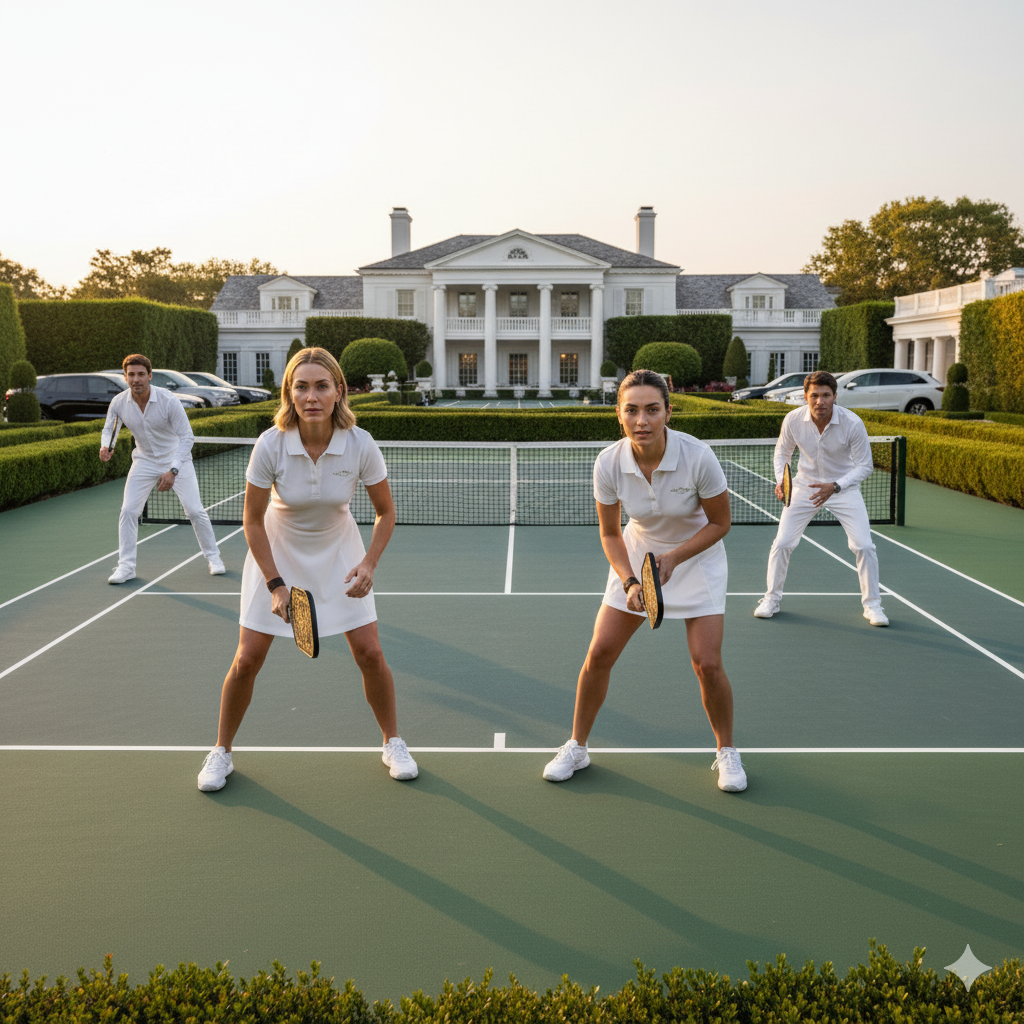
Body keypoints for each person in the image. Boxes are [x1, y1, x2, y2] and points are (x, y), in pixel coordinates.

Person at [197, 347, 417, 791]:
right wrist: (276, 584)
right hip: (278, 554)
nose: (311, 395)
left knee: (370, 653)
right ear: (289, 393)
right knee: (247, 659)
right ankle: (220, 751)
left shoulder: (360, 443)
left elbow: (386, 512)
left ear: (338, 391)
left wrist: (370, 562)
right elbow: (252, 521)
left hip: (340, 553)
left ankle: (393, 741)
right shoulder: (271, 444)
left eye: (321, 386)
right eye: (302, 386)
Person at [542, 369, 747, 793]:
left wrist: (672, 560)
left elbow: (721, 523)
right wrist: (631, 581)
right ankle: (577, 746)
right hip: (637, 553)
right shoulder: (608, 462)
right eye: (632, 410)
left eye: (652, 410)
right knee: (599, 652)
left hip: (696, 555)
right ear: (618, 414)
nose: (642, 421)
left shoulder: (697, 456)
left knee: (706, 663)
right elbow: (610, 532)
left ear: (668, 412)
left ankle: (726, 751)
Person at [753, 369, 888, 626]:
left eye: (826, 395)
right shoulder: (792, 420)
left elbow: (865, 466)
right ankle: (771, 599)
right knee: (782, 543)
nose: (820, 401)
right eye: (814, 395)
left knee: (864, 546)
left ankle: (873, 606)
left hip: (843, 490)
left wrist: (835, 486)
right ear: (805, 396)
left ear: (835, 396)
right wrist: (782, 479)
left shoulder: (852, 423)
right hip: (804, 489)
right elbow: (782, 453)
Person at [100, 354, 224, 584]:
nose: (136, 379)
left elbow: (187, 438)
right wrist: (105, 446)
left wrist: (173, 471)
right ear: (125, 377)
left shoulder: (168, 400)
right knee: (128, 511)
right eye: (131, 375)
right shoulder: (118, 402)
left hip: (177, 460)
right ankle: (126, 567)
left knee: (195, 511)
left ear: (150, 376)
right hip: (144, 461)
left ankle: (213, 558)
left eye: (140, 374)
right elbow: (110, 428)